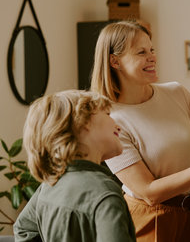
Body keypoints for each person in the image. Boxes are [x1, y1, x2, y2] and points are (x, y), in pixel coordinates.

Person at [90, 20, 190, 242]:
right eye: (141, 52)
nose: (152, 57)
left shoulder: (176, 93)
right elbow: (149, 192)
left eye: (151, 49)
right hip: (149, 221)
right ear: (114, 61)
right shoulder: (111, 120)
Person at [14, 90, 136, 242]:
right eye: (107, 114)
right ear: (83, 122)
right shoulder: (105, 193)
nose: (118, 126)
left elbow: (23, 229)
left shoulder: (50, 185)